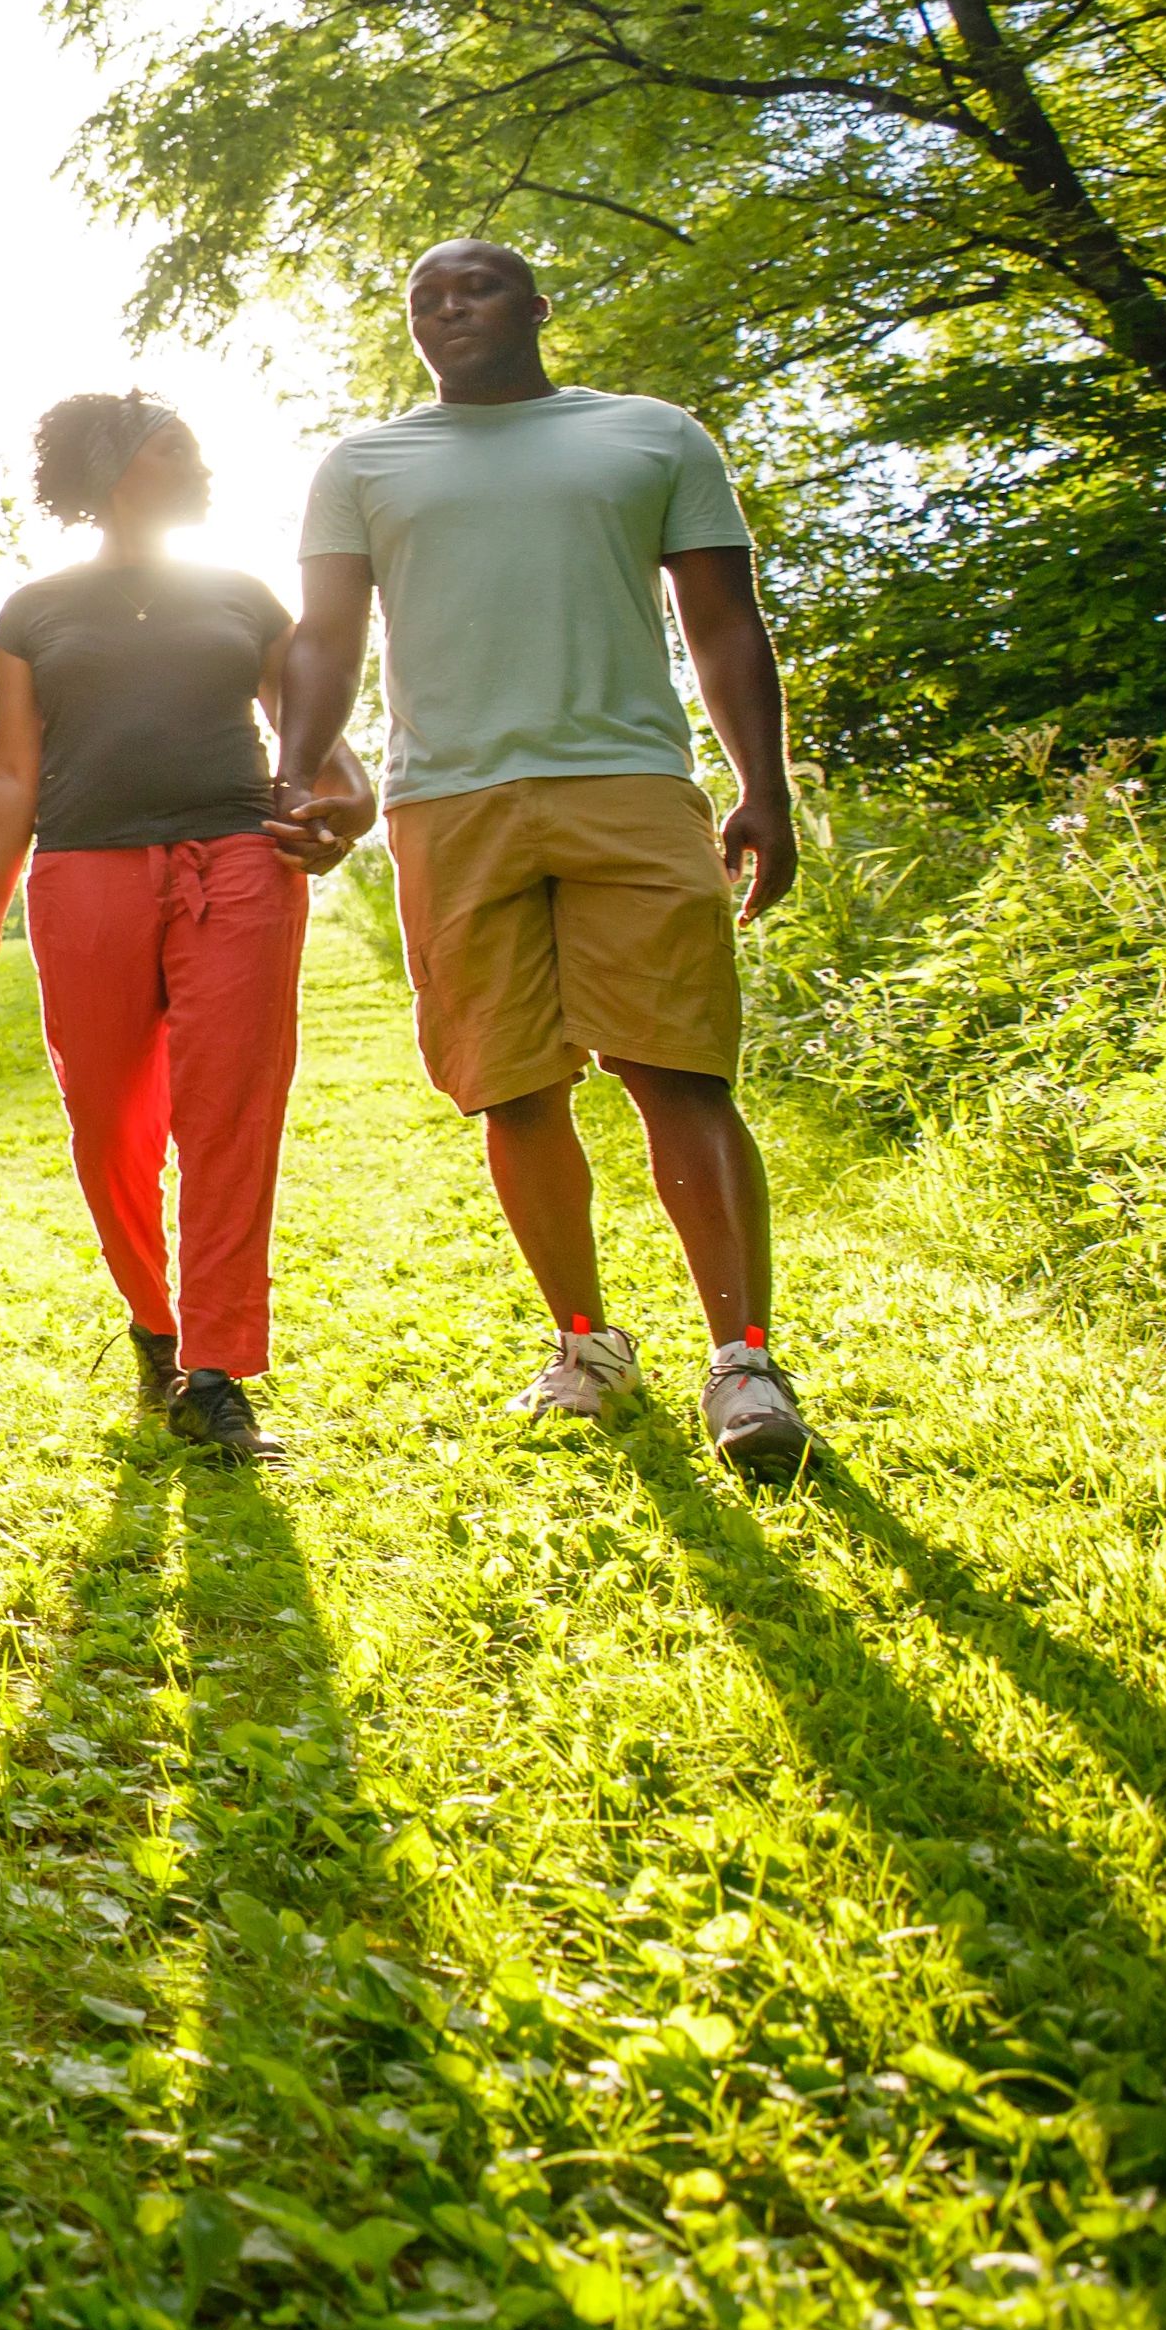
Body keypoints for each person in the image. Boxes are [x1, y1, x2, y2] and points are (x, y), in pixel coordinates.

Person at [274, 240, 811, 1481]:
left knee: (676, 1067)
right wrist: (297, 769)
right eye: (422, 297)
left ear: (534, 307)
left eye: (472, 287)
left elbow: (721, 620)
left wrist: (762, 786)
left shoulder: (649, 435)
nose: (444, 309)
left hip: (626, 782)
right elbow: (321, 635)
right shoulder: (364, 462)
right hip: (446, 802)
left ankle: (741, 1358)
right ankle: (583, 1339)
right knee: (510, 1085)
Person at [0, 393, 372, 1466]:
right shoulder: (32, 610)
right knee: (109, 1125)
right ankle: (157, 1322)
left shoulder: (241, 594)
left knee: (228, 1110)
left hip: (238, 859)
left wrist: (348, 796)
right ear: (113, 465)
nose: (197, 460)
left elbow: (308, 728)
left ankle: (215, 1373)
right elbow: (12, 770)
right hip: (85, 870)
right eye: (173, 445)